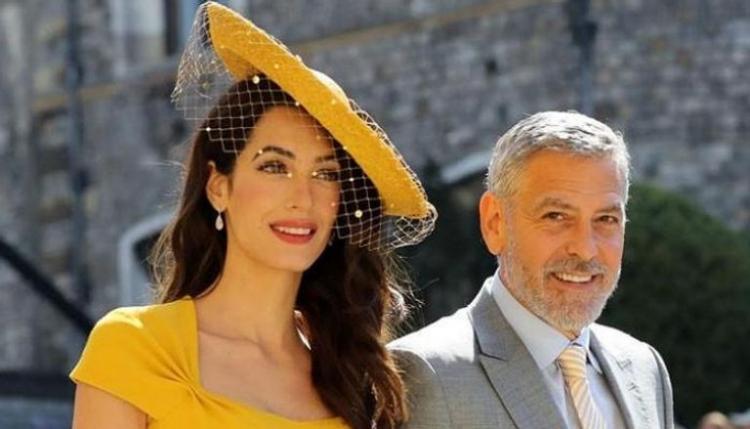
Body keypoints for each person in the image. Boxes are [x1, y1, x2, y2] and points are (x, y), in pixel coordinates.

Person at [69, 2, 435, 428]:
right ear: (218, 186)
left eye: (325, 174)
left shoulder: (356, 372)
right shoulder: (134, 346)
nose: (303, 197)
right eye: (274, 167)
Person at [390, 111, 674, 428]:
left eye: (606, 219)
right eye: (556, 216)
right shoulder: (427, 374)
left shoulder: (644, 369)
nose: (585, 248)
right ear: (495, 223)